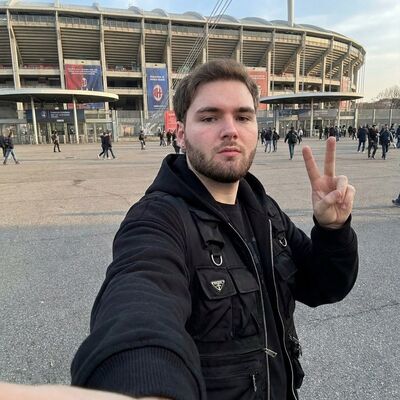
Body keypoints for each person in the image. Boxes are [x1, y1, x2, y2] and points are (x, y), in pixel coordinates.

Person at [67, 59, 358, 400]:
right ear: (180, 133)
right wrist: (145, 385)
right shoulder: (159, 219)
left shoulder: (265, 210)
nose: (230, 130)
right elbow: (138, 306)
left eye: (243, 117)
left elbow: (325, 286)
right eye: (209, 117)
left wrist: (333, 229)